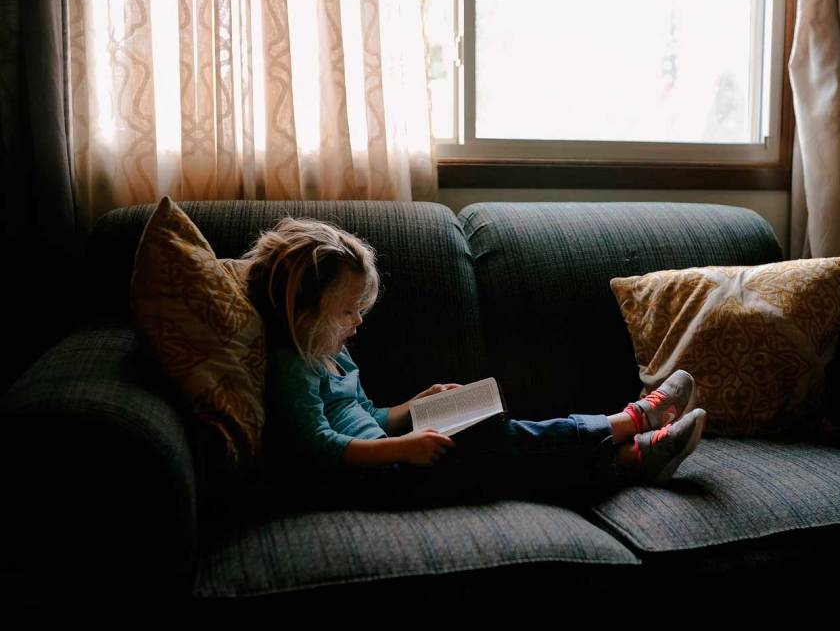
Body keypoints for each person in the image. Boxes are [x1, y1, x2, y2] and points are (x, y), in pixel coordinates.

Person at [239, 216, 708, 509]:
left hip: (389, 457)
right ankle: (632, 421)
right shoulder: (292, 365)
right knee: (496, 446)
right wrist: (403, 448)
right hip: (372, 483)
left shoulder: (332, 351)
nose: (358, 320)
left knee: (498, 444)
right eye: (346, 311)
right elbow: (319, 446)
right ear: (302, 310)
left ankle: (631, 457)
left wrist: (413, 406)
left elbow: (368, 416)